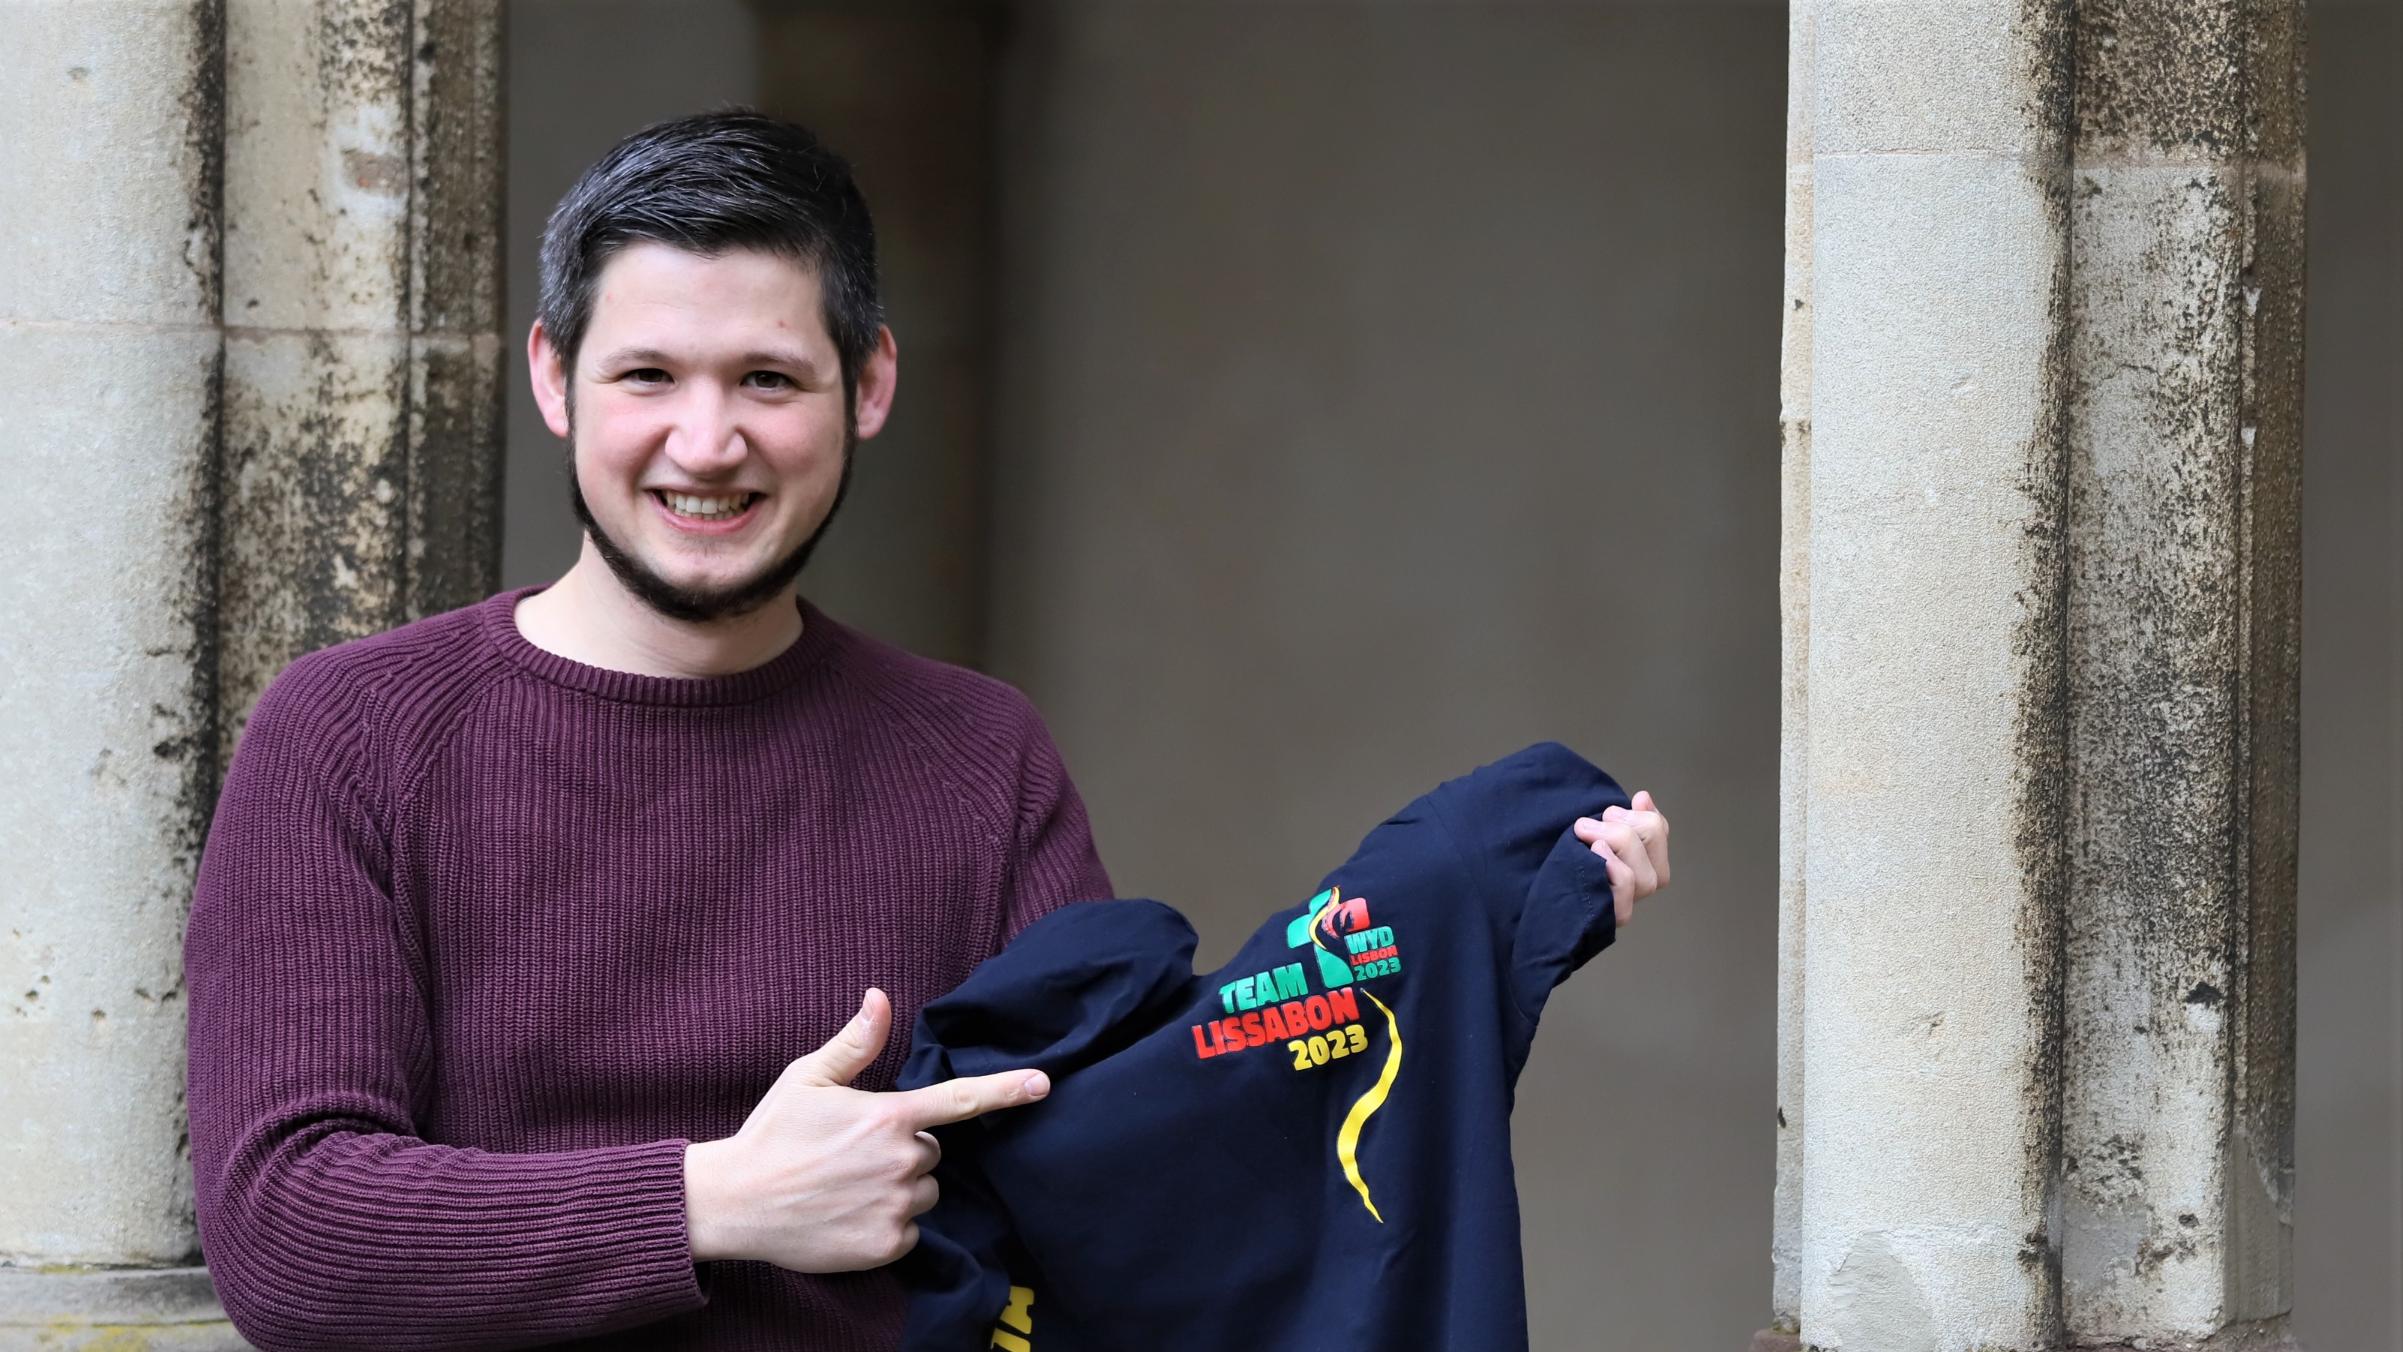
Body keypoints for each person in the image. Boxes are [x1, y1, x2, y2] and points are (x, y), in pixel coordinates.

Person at [182, 110, 1673, 1351]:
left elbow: (1137, 1166)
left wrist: (1473, 927)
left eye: (769, 378)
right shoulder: (352, 736)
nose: (709, 444)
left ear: (869, 386)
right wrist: (718, 1202)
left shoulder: (975, 757)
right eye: (651, 377)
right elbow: (290, 1230)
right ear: (556, 381)